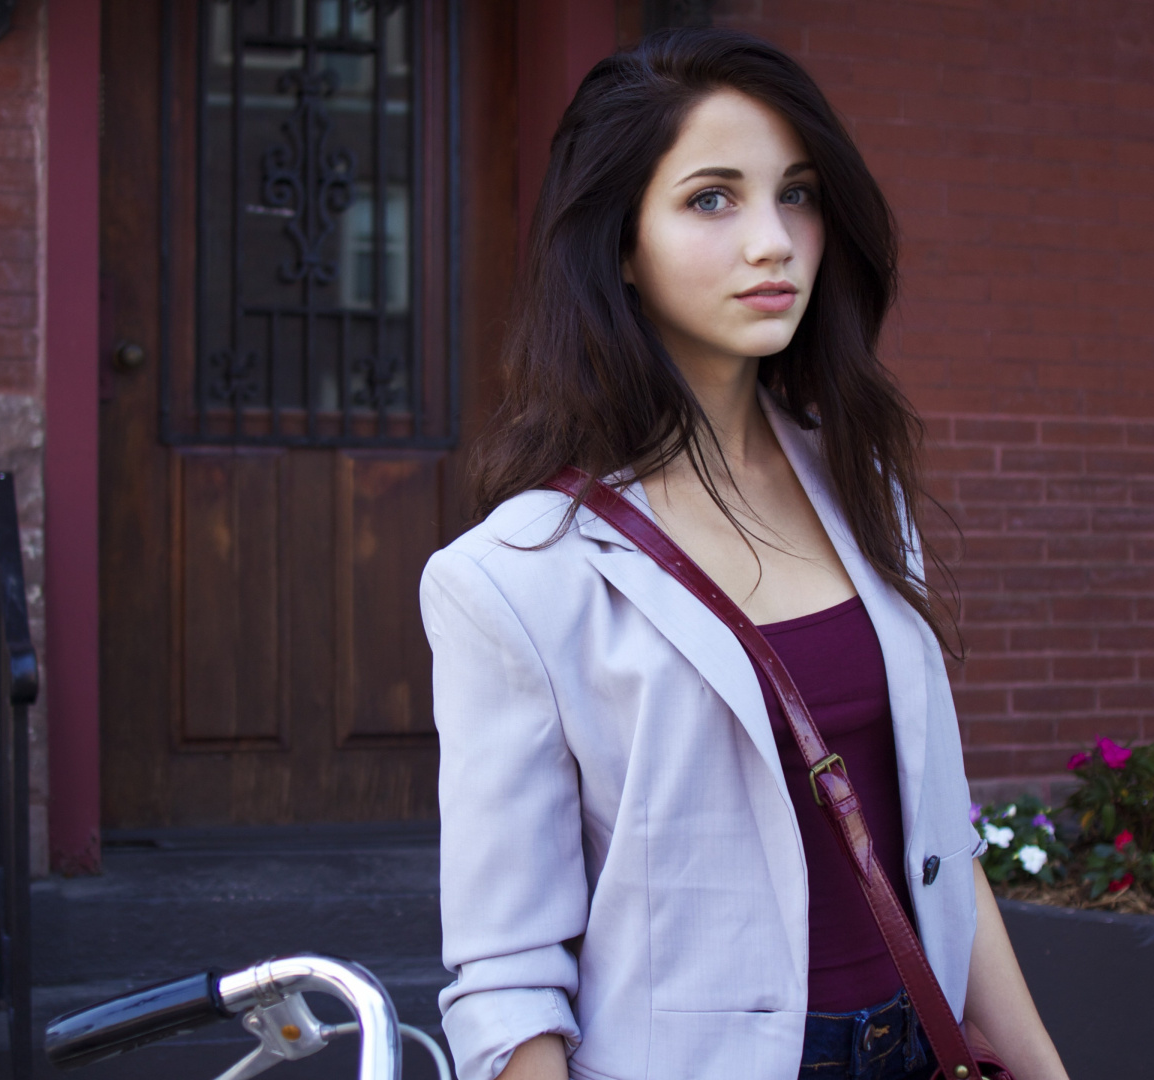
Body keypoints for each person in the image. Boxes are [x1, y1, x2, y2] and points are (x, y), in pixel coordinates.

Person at [420, 28, 1070, 1080]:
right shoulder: (517, 576)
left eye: (798, 194)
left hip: (920, 1045)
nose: (773, 241)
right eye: (712, 199)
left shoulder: (862, 492)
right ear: (620, 246)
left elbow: (938, 853)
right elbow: (508, 976)